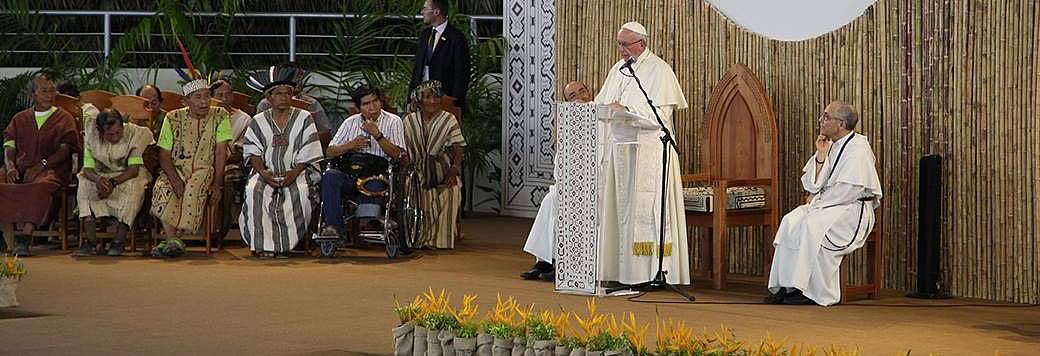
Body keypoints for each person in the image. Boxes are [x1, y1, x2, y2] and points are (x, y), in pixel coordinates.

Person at [593, 22, 691, 285]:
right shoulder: (618, 69)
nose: (621, 50)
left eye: (625, 45)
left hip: (650, 153)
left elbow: (661, 116)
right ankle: (620, 272)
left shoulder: (659, 70)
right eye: (619, 44)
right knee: (620, 213)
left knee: (647, 213)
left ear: (642, 44)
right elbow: (600, 104)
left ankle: (650, 273)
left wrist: (624, 109)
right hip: (620, 154)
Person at [765, 102, 882, 306]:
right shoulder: (830, 145)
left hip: (851, 210)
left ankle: (813, 292)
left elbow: (849, 191)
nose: (821, 120)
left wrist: (818, 200)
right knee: (790, 221)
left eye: (826, 117)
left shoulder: (858, 149)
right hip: (828, 205)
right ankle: (787, 285)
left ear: (841, 124)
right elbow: (812, 184)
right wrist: (820, 154)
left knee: (812, 226)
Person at [238, 77, 323, 258]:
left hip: (299, 170)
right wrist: (263, 172)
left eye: (288, 93)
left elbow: (310, 150)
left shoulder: (304, 117)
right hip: (265, 171)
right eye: (278, 94)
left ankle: (284, 245)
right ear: (269, 99)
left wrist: (294, 173)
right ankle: (262, 245)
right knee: (254, 190)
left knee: (299, 192)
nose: (284, 97)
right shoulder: (258, 120)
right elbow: (252, 152)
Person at [0, 73, 81, 256]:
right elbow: (9, 146)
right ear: (32, 95)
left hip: (52, 169)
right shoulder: (19, 118)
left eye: (52, 91)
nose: (49, 95)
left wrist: (41, 165)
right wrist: (11, 166)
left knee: (40, 186)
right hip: (19, 167)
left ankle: (25, 237)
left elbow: (65, 150)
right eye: (44, 91)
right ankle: (5, 236)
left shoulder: (64, 117)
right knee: (2, 178)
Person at [520, 80, 594, 281]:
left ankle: (551, 262)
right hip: (570, 185)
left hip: (597, 186)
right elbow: (560, 165)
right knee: (552, 199)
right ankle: (545, 261)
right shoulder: (567, 126)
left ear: (590, 93)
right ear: (567, 103)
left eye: (583, 91)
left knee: (557, 200)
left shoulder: (601, 119)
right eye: (573, 96)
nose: (580, 97)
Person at [149, 79, 231, 258]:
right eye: (198, 97)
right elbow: (164, 154)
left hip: (204, 168)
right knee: (162, 187)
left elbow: (220, 152)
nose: (204, 102)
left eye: (207, 96)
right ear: (185, 102)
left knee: (193, 189)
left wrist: (217, 185)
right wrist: (175, 179)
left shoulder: (220, 115)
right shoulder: (172, 118)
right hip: (175, 168)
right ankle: (173, 240)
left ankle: (174, 240)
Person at [319, 85, 405, 240]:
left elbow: (398, 153)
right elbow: (330, 152)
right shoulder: (350, 122)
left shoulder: (394, 121)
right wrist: (350, 145)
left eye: (375, 101)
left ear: (381, 102)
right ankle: (334, 229)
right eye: (366, 104)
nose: (372, 107)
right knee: (330, 176)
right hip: (351, 172)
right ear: (358, 107)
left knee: (374, 183)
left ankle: (371, 221)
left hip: (378, 174)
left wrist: (377, 135)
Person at [73, 109, 155, 256]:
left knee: (136, 186)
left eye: (119, 132)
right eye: (110, 134)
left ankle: (119, 241)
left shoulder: (135, 134)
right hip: (99, 175)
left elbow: (133, 170)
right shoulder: (91, 134)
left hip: (126, 175)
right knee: (84, 183)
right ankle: (91, 242)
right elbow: (88, 169)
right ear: (100, 131)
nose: (116, 137)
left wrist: (112, 183)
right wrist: (99, 180)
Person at [402, 80, 465, 249]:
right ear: (419, 100)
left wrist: (453, 171)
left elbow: (459, 148)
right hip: (417, 172)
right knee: (415, 193)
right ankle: (419, 238)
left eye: (436, 97)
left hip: (443, 171)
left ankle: (438, 240)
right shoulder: (408, 121)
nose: (433, 101)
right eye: (428, 97)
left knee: (452, 191)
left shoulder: (449, 118)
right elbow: (403, 150)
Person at [409, 0, 470, 108]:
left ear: (436, 12)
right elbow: (417, 68)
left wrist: (455, 101)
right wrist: (410, 97)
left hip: (444, 99)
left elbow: (462, 73)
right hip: (421, 97)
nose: (422, 12)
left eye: (425, 9)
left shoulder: (456, 38)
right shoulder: (425, 34)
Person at [254, 63, 332, 141]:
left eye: (300, 78)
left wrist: (303, 138)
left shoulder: (311, 103)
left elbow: (326, 135)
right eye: (293, 79)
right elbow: (258, 134)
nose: (298, 82)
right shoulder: (266, 104)